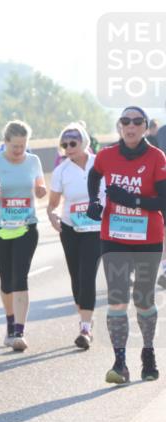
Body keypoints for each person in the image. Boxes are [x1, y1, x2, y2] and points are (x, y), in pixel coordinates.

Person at [86, 106, 166, 383]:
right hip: (114, 238)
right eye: (125, 121)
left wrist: (130, 200)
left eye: (137, 122)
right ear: (119, 126)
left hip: (148, 238)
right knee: (117, 298)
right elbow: (94, 174)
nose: (130, 126)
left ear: (145, 126)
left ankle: (148, 352)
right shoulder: (106, 155)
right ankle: (120, 363)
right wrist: (95, 202)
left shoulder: (156, 157)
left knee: (143, 299)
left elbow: (163, 201)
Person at [0, 121, 46, 352]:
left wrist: (41, 190)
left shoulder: (33, 161)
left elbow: (40, 184)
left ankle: (19, 331)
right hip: (0, 227)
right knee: (6, 280)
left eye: (23, 146)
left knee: (20, 276)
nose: (19, 150)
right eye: (15, 146)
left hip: (26, 226)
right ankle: (10, 323)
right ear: (5, 143)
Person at [48, 123, 104, 349]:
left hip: (96, 228)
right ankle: (85, 317)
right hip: (71, 228)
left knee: (87, 273)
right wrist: (52, 216)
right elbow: (52, 204)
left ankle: (85, 328)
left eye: (73, 143)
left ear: (84, 143)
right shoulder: (62, 170)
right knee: (76, 277)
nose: (68, 148)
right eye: (65, 144)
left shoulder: (99, 164)